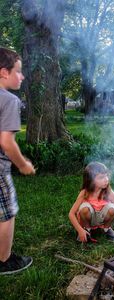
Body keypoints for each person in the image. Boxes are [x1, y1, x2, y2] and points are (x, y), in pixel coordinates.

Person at [0, 47, 35, 275]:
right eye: (19, 72)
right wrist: (23, 165)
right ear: (4, 72)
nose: (22, 77)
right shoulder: (9, 100)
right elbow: (6, 142)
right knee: (7, 212)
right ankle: (4, 260)